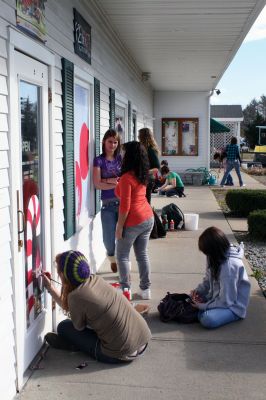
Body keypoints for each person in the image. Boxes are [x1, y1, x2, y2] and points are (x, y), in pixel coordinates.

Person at [43, 251, 151, 363]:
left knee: (63, 327)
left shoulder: (76, 296)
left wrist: (50, 287)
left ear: (64, 275)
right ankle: (77, 344)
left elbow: (79, 327)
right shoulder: (96, 279)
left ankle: (75, 345)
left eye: (58, 270)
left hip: (121, 354)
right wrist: (50, 287)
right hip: (142, 340)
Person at [190, 227, 250, 329]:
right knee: (191, 302)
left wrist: (203, 306)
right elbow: (207, 280)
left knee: (207, 319)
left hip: (233, 307)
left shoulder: (230, 266)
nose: (206, 255)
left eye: (207, 252)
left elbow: (226, 301)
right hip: (218, 298)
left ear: (214, 249)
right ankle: (205, 309)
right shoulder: (213, 256)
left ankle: (225, 314)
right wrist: (197, 292)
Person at [115, 141, 154, 300]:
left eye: (124, 152)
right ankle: (145, 290)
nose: (121, 154)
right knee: (142, 255)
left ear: (129, 156)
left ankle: (125, 290)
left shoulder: (126, 177)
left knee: (122, 256)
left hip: (133, 220)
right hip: (147, 217)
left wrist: (119, 226)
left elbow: (125, 207)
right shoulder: (142, 173)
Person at [93, 129, 122, 273]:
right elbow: (97, 184)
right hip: (108, 205)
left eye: (115, 142)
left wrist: (107, 181)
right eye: (110, 141)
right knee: (108, 240)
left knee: (123, 239)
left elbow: (124, 180)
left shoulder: (121, 159)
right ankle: (111, 257)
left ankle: (123, 270)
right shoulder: (98, 160)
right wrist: (112, 181)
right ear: (104, 141)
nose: (113, 145)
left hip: (123, 204)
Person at [138, 127, 160, 203]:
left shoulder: (151, 150)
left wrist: (144, 172)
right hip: (142, 179)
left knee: (146, 202)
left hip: (148, 179)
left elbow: (156, 168)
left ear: (143, 137)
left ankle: (149, 214)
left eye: (139, 135)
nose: (138, 137)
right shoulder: (142, 148)